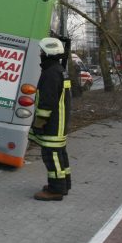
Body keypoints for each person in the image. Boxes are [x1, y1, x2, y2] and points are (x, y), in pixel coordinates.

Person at [30, 37, 72, 201]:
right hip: (60, 122)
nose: (40, 54)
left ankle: (55, 190)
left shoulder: (51, 74)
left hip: (53, 124)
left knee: (51, 156)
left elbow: (46, 104)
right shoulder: (60, 70)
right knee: (60, 154)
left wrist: (39, 124)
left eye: (42, 51)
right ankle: (64, 184)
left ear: (47, 53)